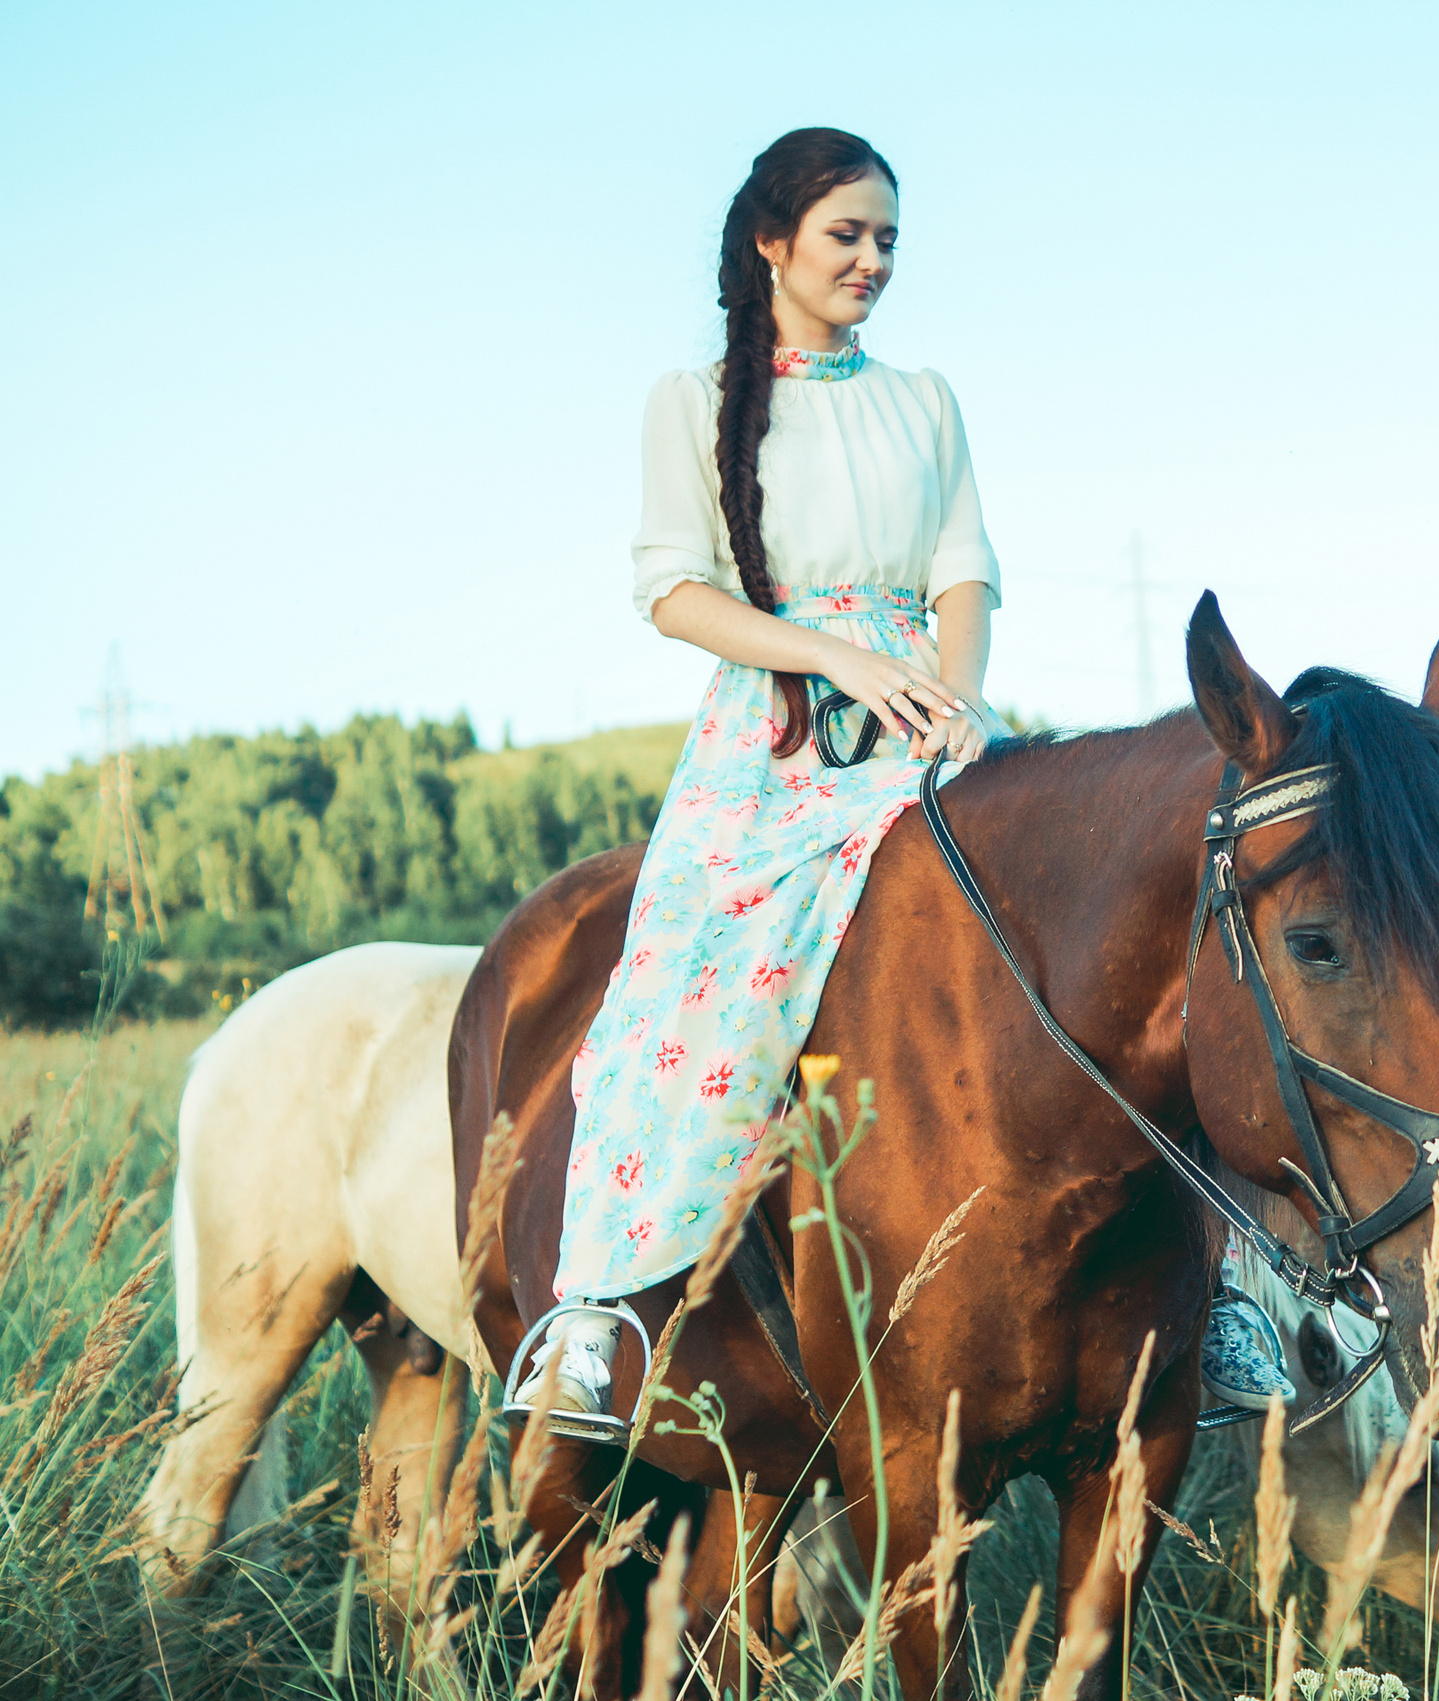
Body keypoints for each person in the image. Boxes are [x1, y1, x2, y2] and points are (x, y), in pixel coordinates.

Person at [507, 127, 1292, 1441]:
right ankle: (605, 1299)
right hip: (779, 733)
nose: (871, 262)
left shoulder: (924, 397)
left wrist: (957, 691)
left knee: (1112, 964)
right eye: (846, 237)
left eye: (887, 242)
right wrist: (835, 661)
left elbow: (965, 564)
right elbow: (674, 590)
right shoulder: (689, 400)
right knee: (691, 976)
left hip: (928, 715)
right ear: (772, 243)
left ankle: (1222, 1291)